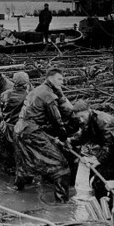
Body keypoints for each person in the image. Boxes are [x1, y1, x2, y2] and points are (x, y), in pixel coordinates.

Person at [13, 68, 71, 202]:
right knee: (62, 167)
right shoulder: (48, 94)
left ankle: (16, 193)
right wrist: (64, 139)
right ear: (50, 78)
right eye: (59, 79)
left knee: (24, 164)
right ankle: (62, 205)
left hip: (19, 129)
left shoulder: (37, 90)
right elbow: (57, 121)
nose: (62, 82)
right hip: (32, 132)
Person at [70, 100, 114, 200]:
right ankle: (99, 202)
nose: (80, 120)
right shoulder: (89, 121)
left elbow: (110, 145)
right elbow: (85, 136)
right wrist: (70, 141)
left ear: (89, 111)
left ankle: (105, 206)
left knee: (100, 182)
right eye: (78, 118)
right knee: (95, 182)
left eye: (82, 116)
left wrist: (96, 159)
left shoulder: (102, 121)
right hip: (105, 151)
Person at [0, 72, 31, 175]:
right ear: (26, 83)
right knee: (17, 156)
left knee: (1, 154)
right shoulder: (29, 96)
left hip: (4, 127)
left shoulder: (5, 94)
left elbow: (1, 109)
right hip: (19, 130)